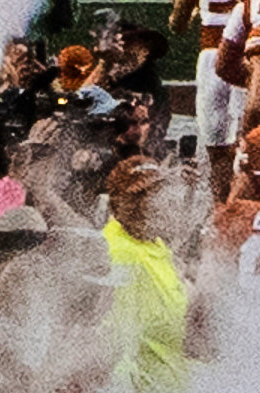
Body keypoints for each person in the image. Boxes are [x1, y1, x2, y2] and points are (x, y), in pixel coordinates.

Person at [101, 159, 191, 393]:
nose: (152, 205)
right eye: (139, 198)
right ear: (117, 206)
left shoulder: (154, 243)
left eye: (158, 193)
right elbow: (116, 341)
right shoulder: (121, 254)